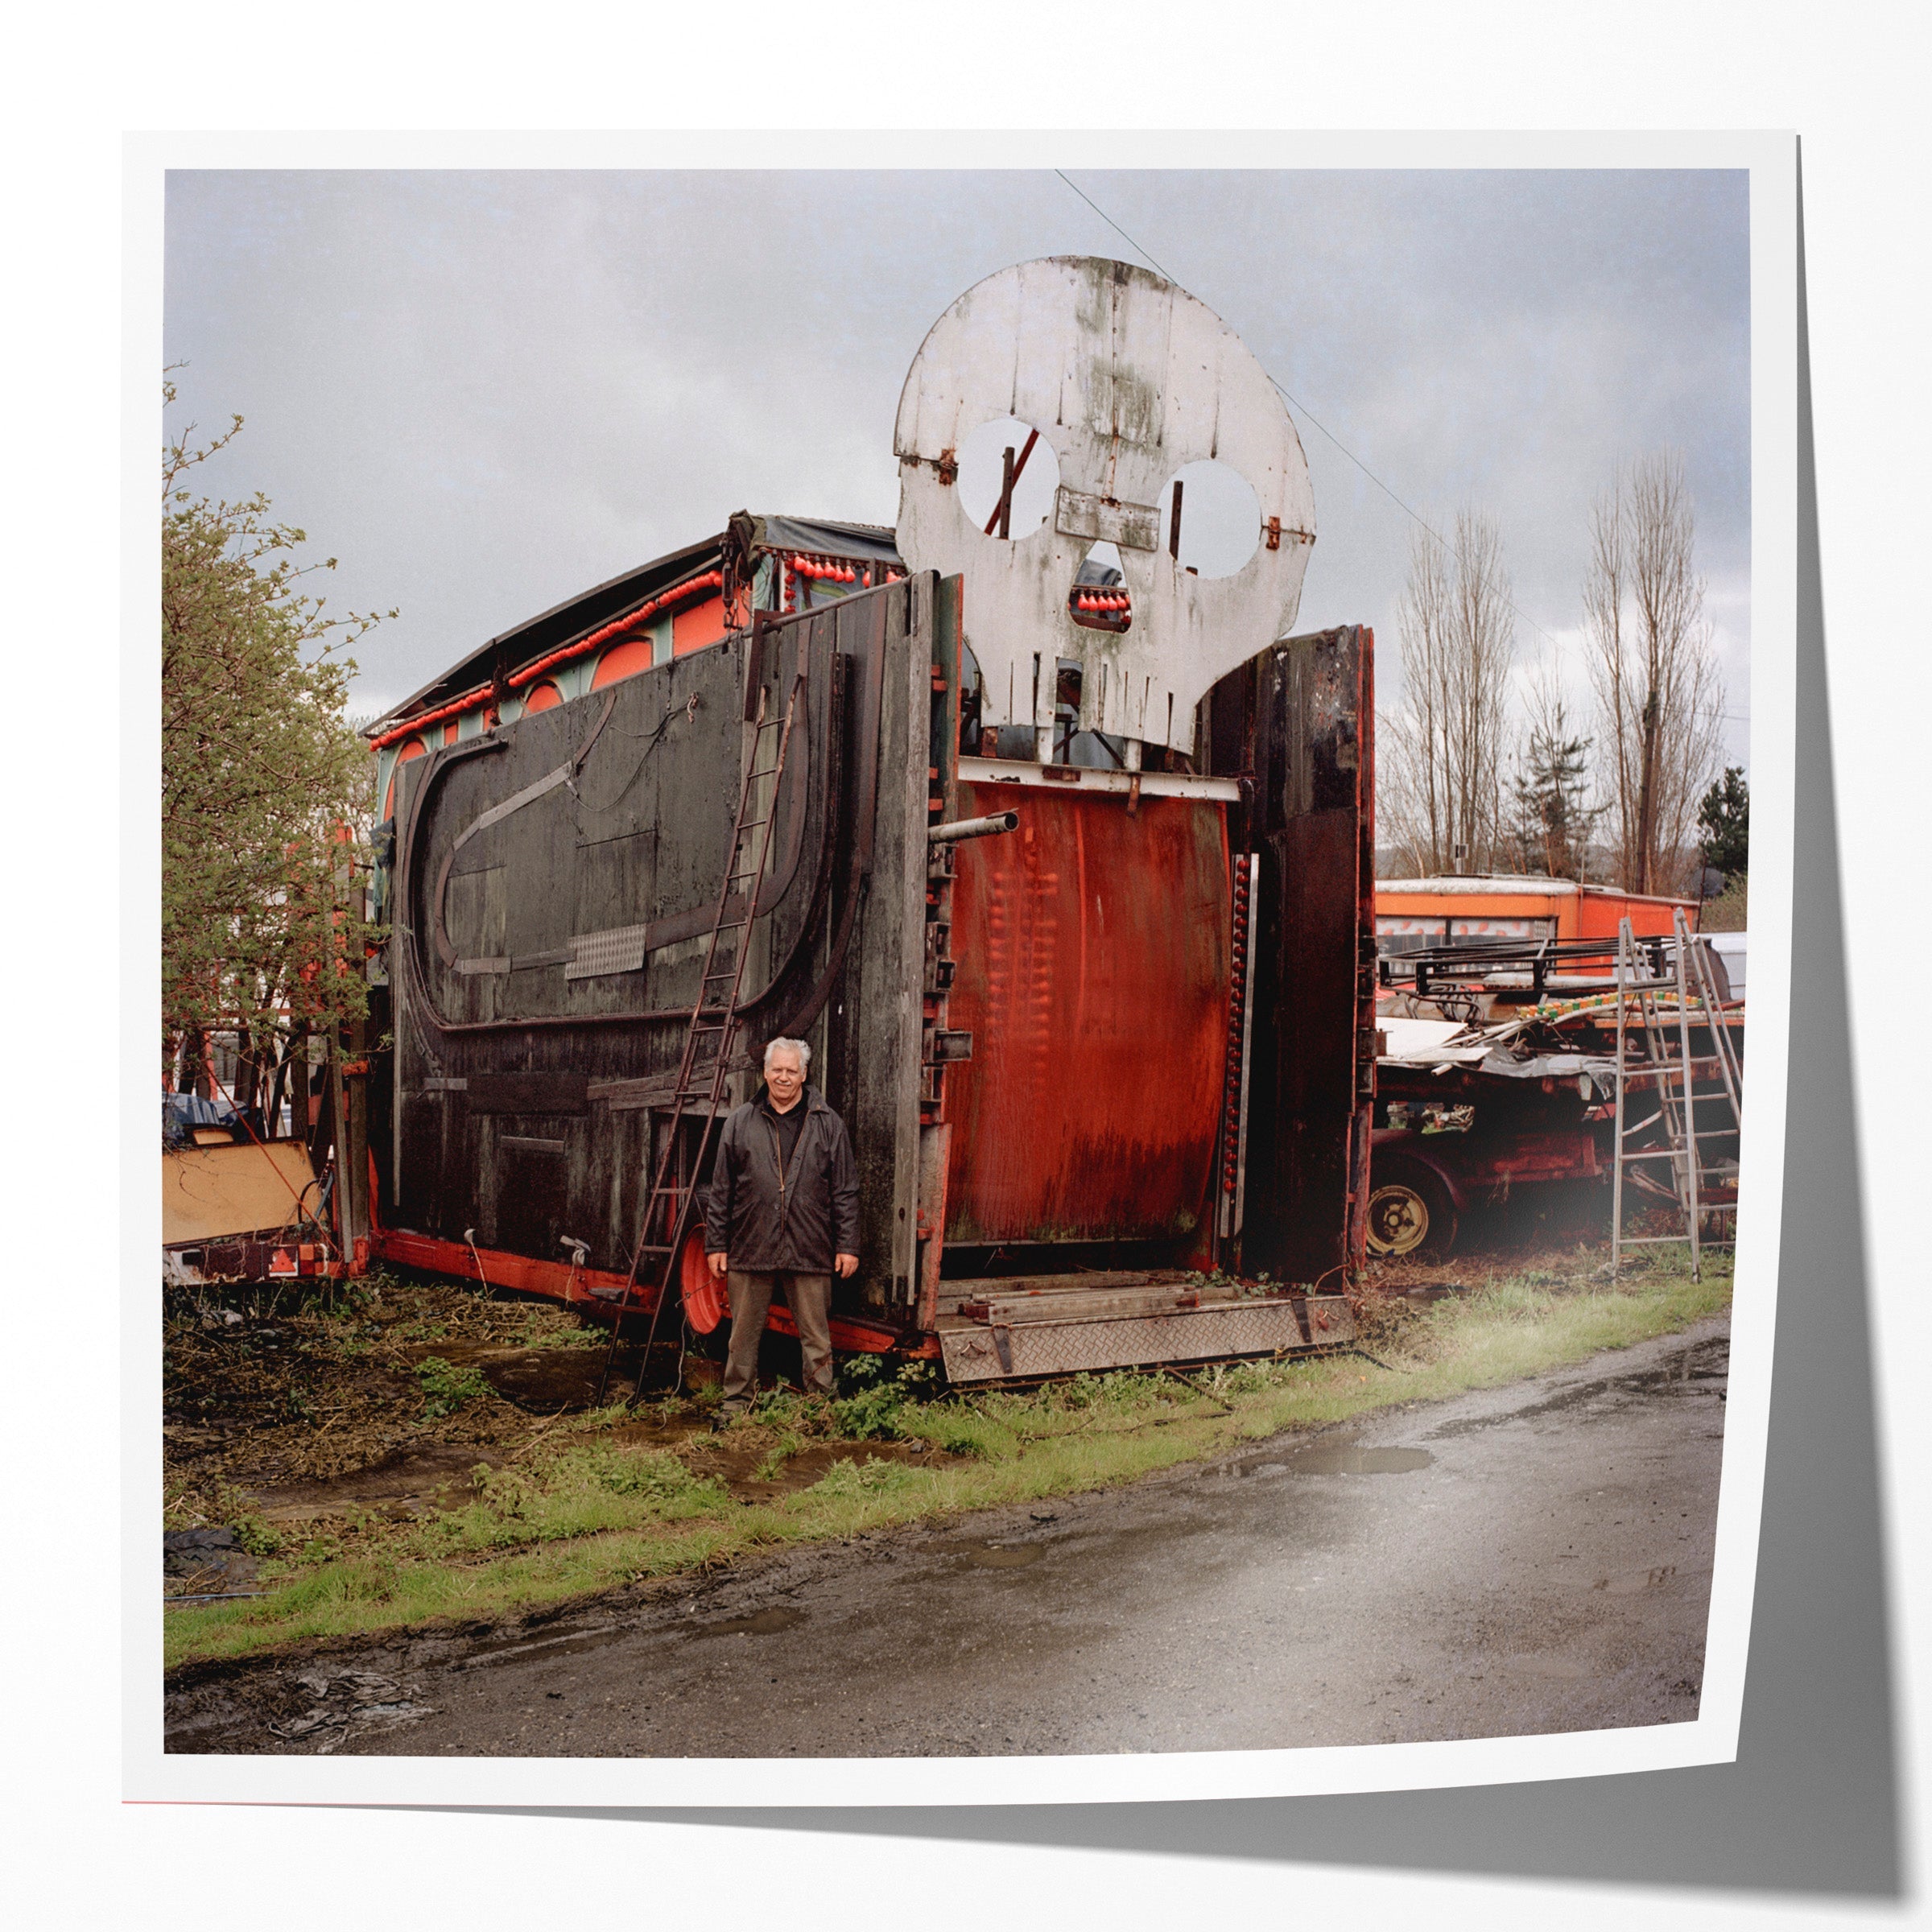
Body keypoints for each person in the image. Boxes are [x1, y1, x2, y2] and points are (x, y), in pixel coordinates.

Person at [703, 1037, 859, 1424]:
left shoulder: (828, 1123)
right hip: (750, 1242)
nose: (784, 1078)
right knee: (742, 1334)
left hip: (810, 1244)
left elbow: (845, 1190)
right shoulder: (740, 1121)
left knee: (816, 1335)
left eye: (792, 1071)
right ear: (765, 1072)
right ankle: (736, 1404)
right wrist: (715, 1244)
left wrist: (848, 1245)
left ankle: (821, 1408)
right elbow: (722, 1189)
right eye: (777, 1070)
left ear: (804, 1075)